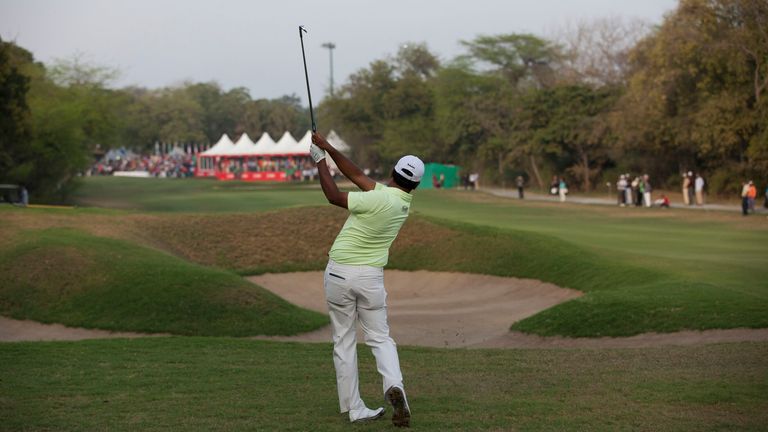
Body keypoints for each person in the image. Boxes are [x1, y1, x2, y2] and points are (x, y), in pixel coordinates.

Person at [310, 132, 416, 427]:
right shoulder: (400, 203)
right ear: (415, 184)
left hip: (339, 272)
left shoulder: (378, 197)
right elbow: (355, 173)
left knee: (343, 341)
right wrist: (328, 148)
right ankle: (395, 387)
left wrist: (320, 162)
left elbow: (333, 196)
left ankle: (355, 408)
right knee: (380, 338)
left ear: (393, 173)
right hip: (370, 278)